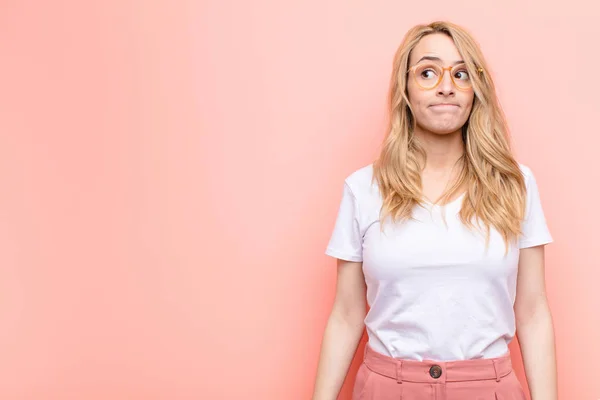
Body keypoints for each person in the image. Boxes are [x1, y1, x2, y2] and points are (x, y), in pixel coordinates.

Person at [312, 21, 558, 400]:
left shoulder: (516, 184)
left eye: (461, 74)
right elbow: (346, 315)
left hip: (487, 387)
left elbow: (533, 311)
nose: (446, 86)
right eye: (427, 72)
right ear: (405, 88)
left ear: (476, 90)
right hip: (387, 387)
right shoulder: (363, 188)